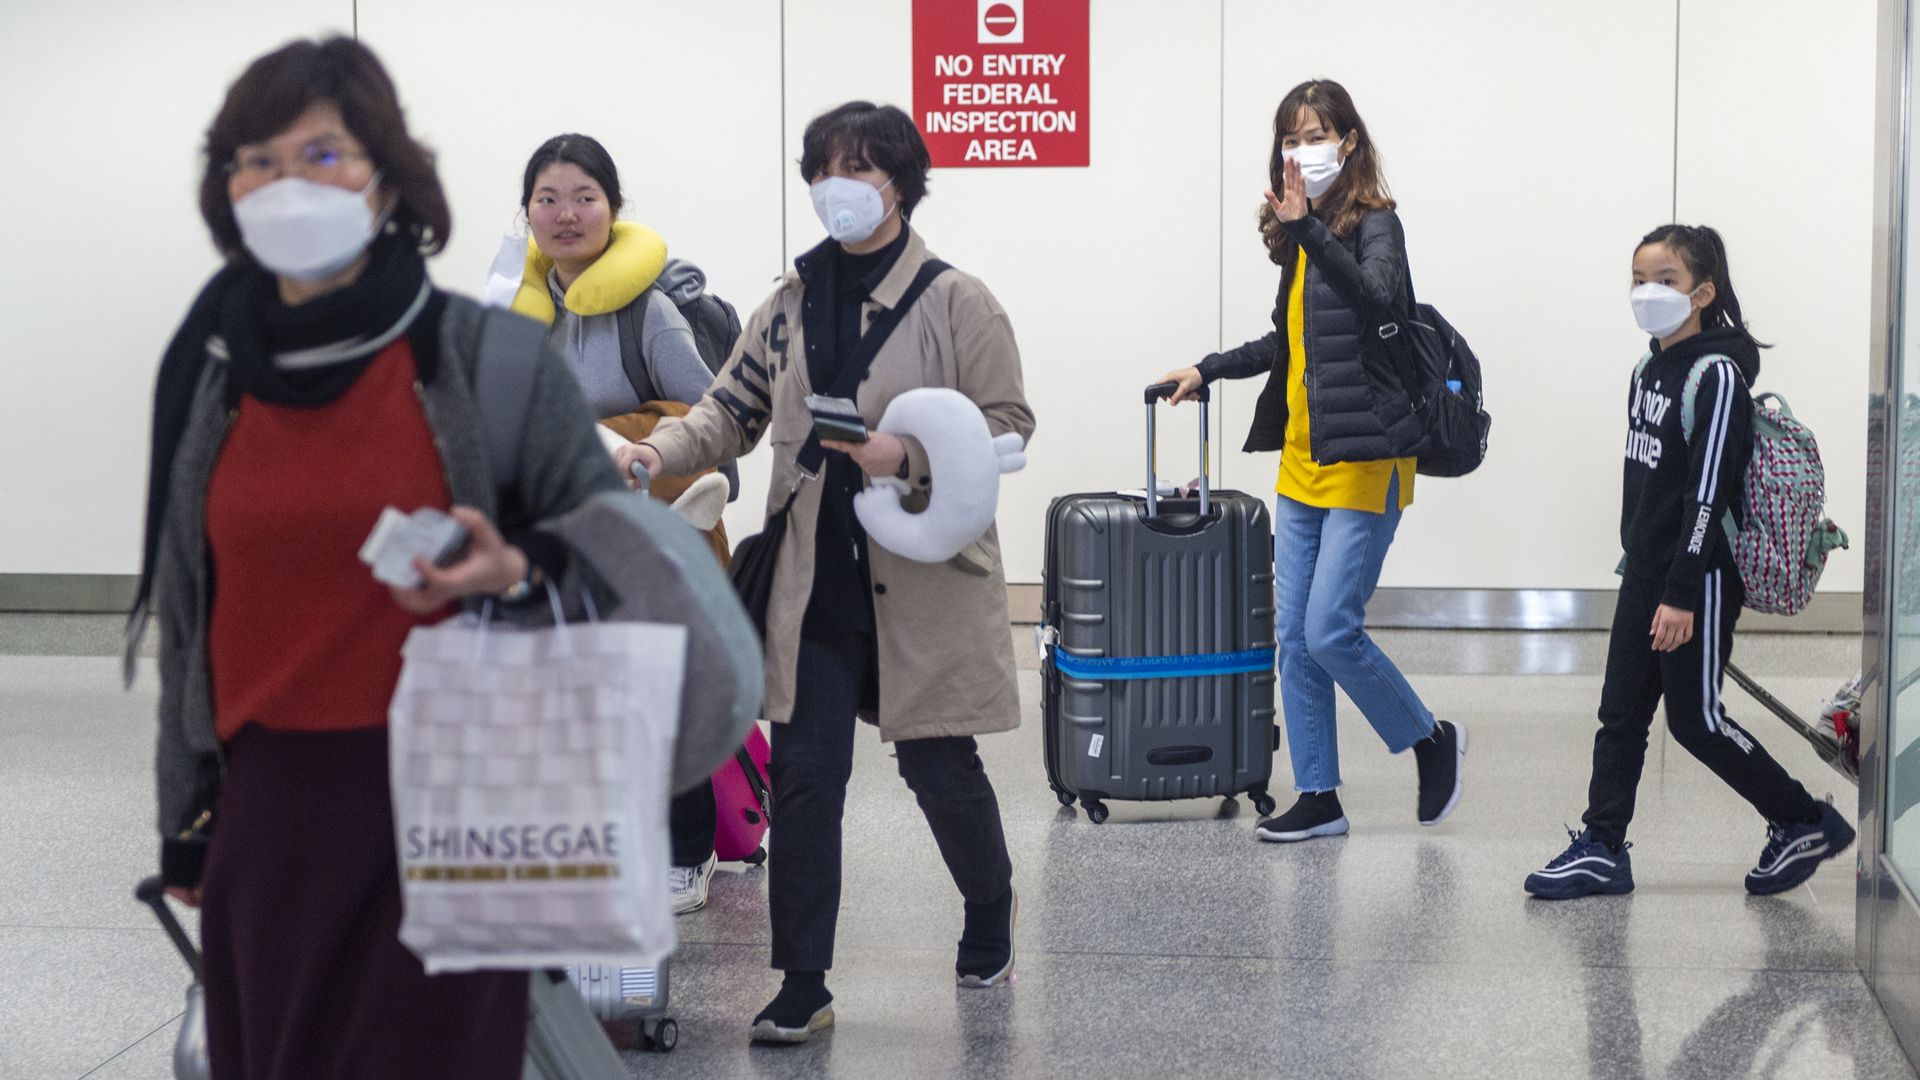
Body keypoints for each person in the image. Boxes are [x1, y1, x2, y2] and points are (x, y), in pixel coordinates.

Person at [130, 37, 619, 1078]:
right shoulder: (210, 374)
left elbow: (613, 548)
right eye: (254, 160)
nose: (281, 183)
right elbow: (192, 609)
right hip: (269, 813)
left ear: (389, 178)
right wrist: (186, 817)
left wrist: (516, 565)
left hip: (453, 806)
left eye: (321, 156)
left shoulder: (484, 358)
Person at [620, 101, 1034, 1044]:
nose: (834, 185)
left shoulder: (958, 301)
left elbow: (1007, 427)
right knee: (806, 776)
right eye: (821, 168)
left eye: (855, 166)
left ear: (899, 180)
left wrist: (907, 457)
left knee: (938, 762)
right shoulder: (790, 300)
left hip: (920, 577)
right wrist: (658, 453)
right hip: (815, 577)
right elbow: (729, 408)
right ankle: (801, 980)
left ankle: (989, 905)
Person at [1158, 79, 1463, 844]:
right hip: (1303, 459)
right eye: (1290, 139)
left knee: (1330, 629)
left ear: (1349, 142)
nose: (1302, 151)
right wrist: (1209, 368)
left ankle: (1429, 738)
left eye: (1316, 135)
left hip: (1370, 458)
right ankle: (1320, 795)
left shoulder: (1377, 225)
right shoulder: (1299, 239)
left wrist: (1313, 234)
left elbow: (1379, 303)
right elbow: (1283, 343)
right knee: (1292, 637)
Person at [1523, 225, 1855, 900]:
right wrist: (1639, 561)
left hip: (1696, 577)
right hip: (1649, 570)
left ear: (1703, 292)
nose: (1649, 292)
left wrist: (1680, 591)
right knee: (1620, 713)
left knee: (1695, 719)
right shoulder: (1649, 369)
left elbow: (1706, 494)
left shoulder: (1718, 376)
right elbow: (1648, 481)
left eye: (1666, 280)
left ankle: (1801, 820)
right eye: (1639, 279)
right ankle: (1603, 846)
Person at [512, 133, 723, 913]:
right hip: (556, 543)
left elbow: (717, 420)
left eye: (585, 197)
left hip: (652, 534)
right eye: (547, 199)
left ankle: (686, 853)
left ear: (614, 210)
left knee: (660, 697)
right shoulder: (517, 310)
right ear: (527, 212)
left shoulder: (650, 311)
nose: (566, 215)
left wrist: (624, 440)